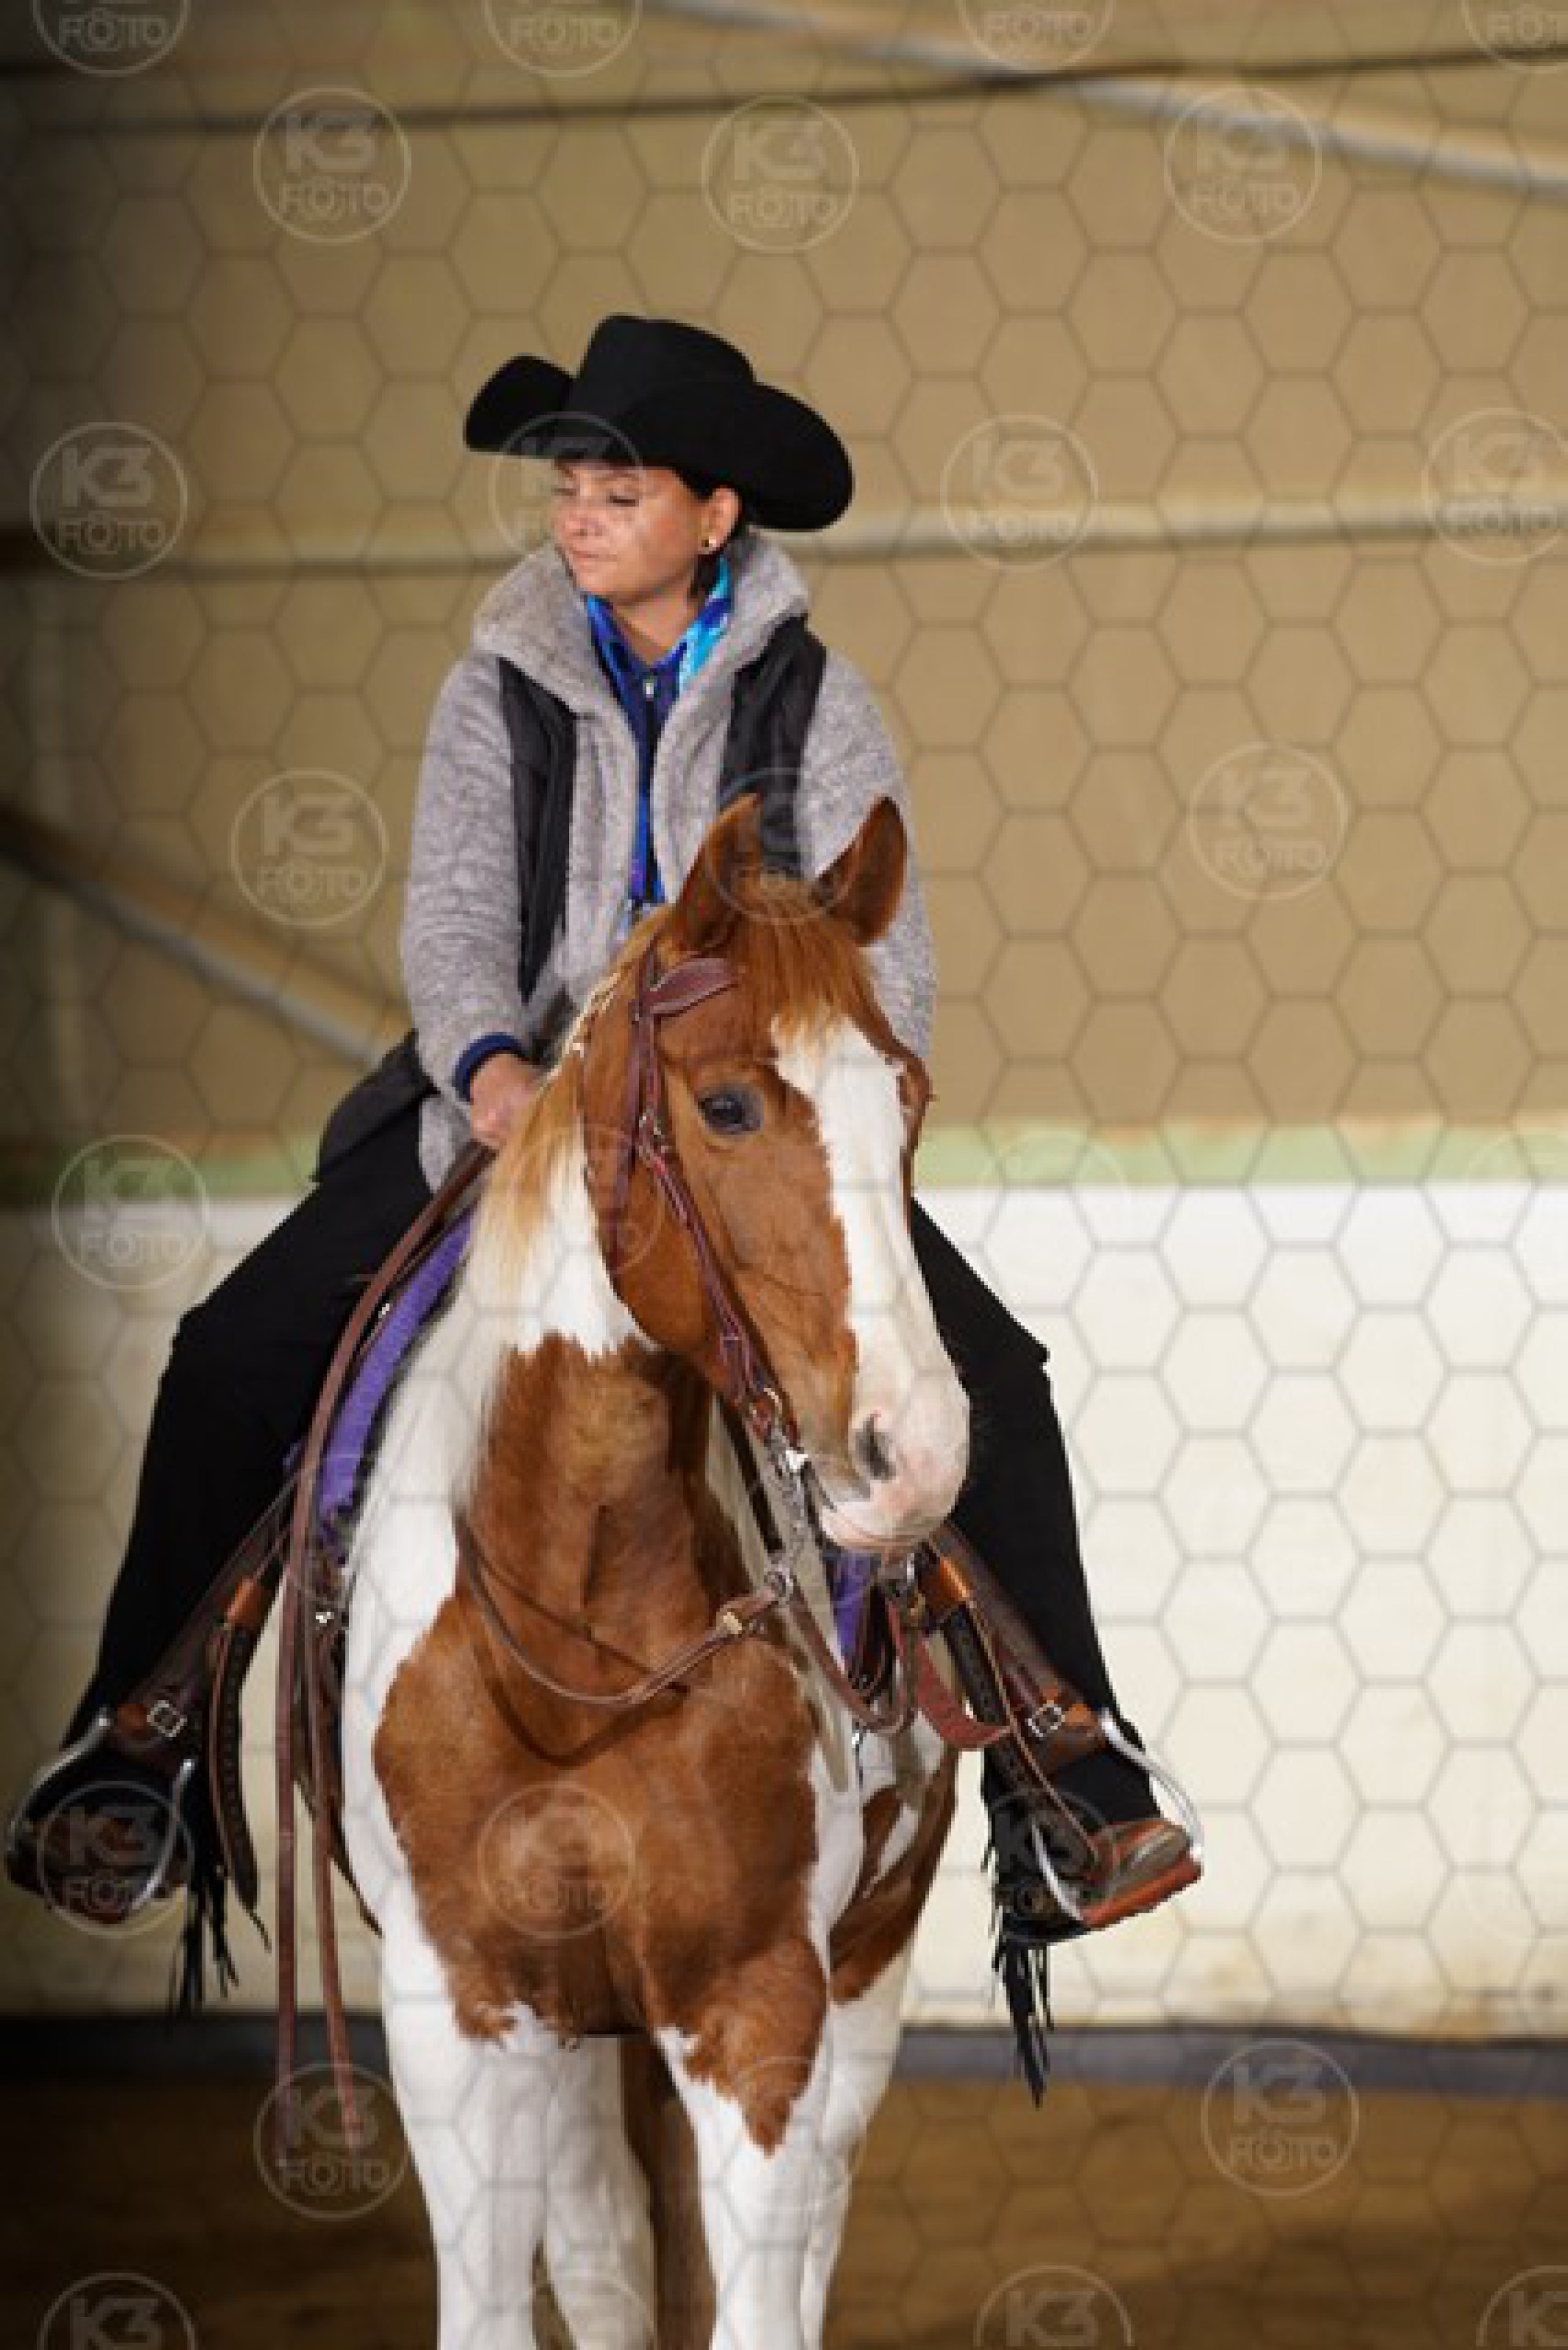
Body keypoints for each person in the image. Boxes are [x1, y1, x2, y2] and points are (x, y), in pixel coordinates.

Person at [6, 315, 1197, 1979]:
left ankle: (1069, 1764)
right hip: (507, 1119)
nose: (579, 513)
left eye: (619, 490)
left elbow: (887, 955)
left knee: (987, 1376)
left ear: (714, 514)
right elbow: (451, 923)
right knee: (229, 1356)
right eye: (570, 484)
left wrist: (809, 1092)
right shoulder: (496, 684)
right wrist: (492, 1067)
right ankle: (141, 1746)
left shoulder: (817, 699)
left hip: (739, 1129)